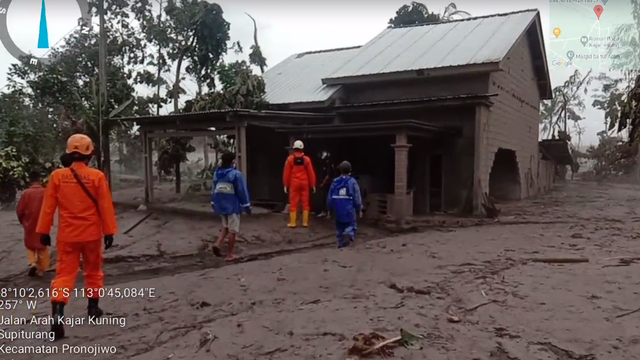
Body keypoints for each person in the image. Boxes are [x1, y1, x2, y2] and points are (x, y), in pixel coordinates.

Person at [36, 133, 118, 341]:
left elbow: (48, 207)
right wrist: (109, 231)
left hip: (67, 236)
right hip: (91, 234)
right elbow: (105, 206)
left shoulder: (57, 176)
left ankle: (57, 316)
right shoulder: (97, 177)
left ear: (70, 153)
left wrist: (44, 231)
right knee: (93, 270)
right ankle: (93, 309)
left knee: (64, 275)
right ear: (89, 154)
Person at [211, 152, 251, 262]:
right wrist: (247, 206)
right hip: (232, 206)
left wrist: (213, 202)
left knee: (226, 226)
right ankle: (230, 254)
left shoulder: (217, 173)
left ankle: (218, 244)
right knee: (233, 230)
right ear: (233, 162)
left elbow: (214, 189)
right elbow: (242, 191)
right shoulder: (235, 174)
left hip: (220, 205)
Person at [16, 170, 49, 277]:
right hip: (43, 221)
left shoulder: (26, 193)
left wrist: (22, 221)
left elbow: (20, 210)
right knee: (42, 245)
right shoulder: (45, 192)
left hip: (29, 222)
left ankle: (32, 262)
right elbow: (51, 207)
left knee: (30, 244)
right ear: (40, 180)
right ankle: (41, 270)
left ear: (30, 181)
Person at [327, 161, 363, 248]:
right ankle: (348, 233)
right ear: (350, 170)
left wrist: (329, 209)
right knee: (351, 225)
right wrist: (359, 208)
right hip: (349, 209)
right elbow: (357, 197)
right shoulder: (352, 182)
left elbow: (330, 197)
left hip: (337, 209)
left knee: (339, 227)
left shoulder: (335, 182)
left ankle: (341, 244)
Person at [283, 140, 316, 228]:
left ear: (294, 148)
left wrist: (286, 184)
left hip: (294, 183)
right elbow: (311, 173)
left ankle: (293, 223)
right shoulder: (307, 159)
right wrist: (313, 185)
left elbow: (287, 173)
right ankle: (305, 222)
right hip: (304, 183)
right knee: (305, 202)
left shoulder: (290, 159)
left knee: (293, 202)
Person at [317, 151, 335, 218]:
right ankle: (324, 211)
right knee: (323, 198)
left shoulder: (328, 163)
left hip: (328, 184)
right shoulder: (324, 163)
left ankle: (328, 213)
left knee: (328, 198)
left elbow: (328, 175)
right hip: (326, 184)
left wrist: (323, 183)